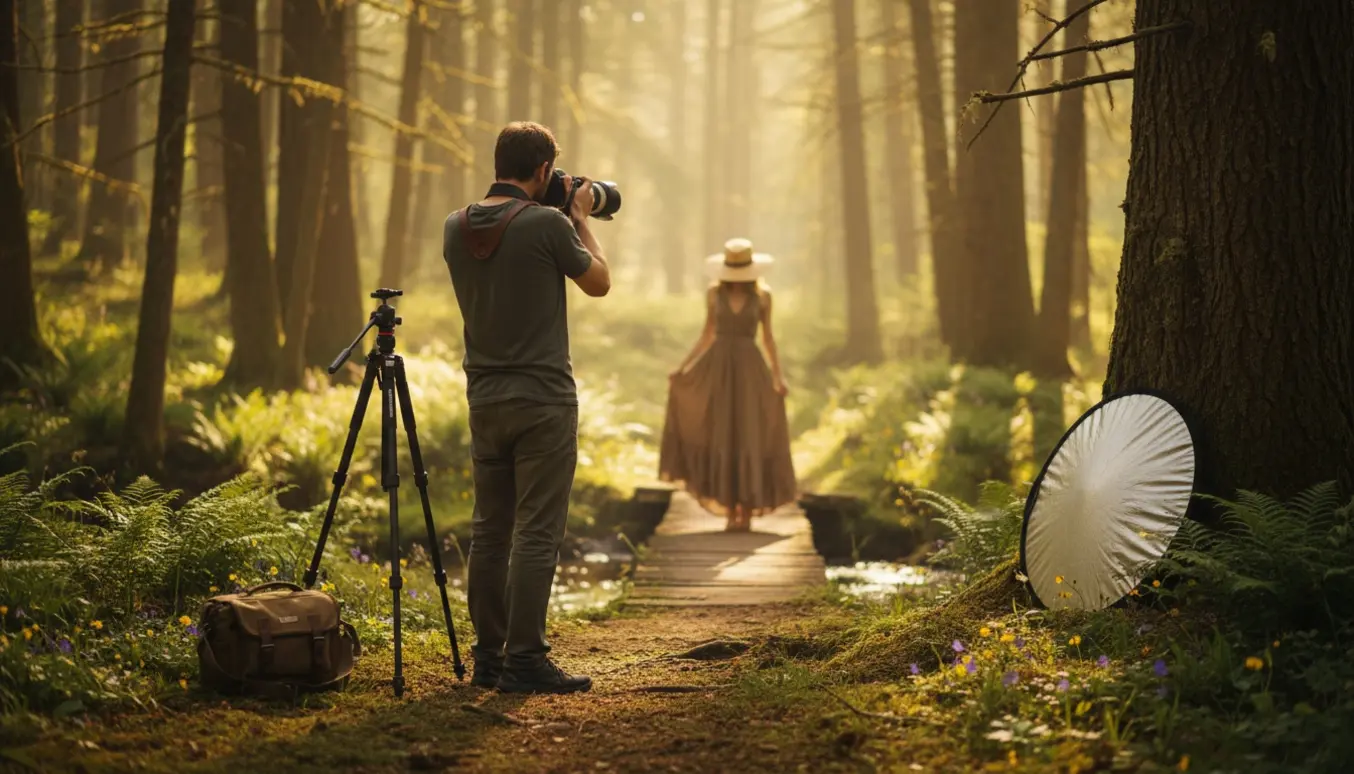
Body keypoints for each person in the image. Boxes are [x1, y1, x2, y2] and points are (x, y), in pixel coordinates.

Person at [443, 122, 610, 694]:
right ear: (543, 170)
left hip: (484, 398)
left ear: (498, 163)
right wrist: (580, 217)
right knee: (536, 533)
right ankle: (525, 661)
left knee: (490, 532)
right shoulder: (547, 224)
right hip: (543, 401)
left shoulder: (455, 226)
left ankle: (489, 660)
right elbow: (599, 283)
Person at [658, 238, 798, 532]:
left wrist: (778, 376)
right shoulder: (713, 294)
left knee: (748, 433)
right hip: (718, 368)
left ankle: (746, 509)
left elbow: (768, 338)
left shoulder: (763, 296)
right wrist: (683, 368)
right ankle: (730, 509)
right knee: (722, 432)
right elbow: (707, 334)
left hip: (750, 370)